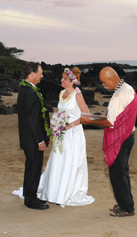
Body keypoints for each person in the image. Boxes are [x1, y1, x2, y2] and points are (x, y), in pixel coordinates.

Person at [81, 67, 137, 217]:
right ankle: (125, 202)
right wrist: (96, 117)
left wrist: (89, 121)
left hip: (121, 140)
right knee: (123, 173)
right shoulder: (128, 88)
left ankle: (127, 208)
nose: (103, 85)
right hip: (129, 136)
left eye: (104, 82)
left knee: (117, 175)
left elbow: (110, 123)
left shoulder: (120, 95)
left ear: (112, 79)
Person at [36, 67, 95, 207]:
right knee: (58, 160)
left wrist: (71, 124)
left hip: (73, 134)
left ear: (72, 82)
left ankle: (67, 192)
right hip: (61, 133)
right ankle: (54, 191)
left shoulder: (77, 95)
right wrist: (54, 122)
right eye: (62, 78)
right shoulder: (62, 93)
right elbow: (60, 111)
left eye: (65, 79)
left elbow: (87, 116)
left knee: (70, 161)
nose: (61, 80)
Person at [17, 62, 50, 210]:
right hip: (32, 140)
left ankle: (29, 195)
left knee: (31, 167)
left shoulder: (25, 89)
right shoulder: (29, 93)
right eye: (40, 72)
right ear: (32, 74)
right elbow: (32, 120)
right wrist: (40, 140)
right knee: (34, 168)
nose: (42, 75)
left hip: (28, 139)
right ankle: (31, 200)